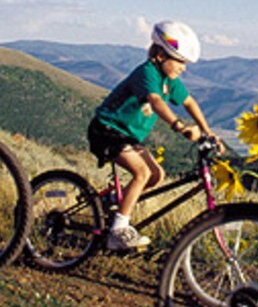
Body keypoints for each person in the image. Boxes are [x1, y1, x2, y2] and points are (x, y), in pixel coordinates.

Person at [86, 20, 220, 251]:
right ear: (159, 55)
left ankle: (112, 204)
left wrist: (208, 132)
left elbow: (189, 102)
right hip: (107, 130)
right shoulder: (147, 73)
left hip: (126, 136)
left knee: (157, 175)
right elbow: (155, 101)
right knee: (142, 172)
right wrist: (179, 126)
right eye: (179, 61)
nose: (183, 67)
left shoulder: (170, 81)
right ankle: (117, 231)